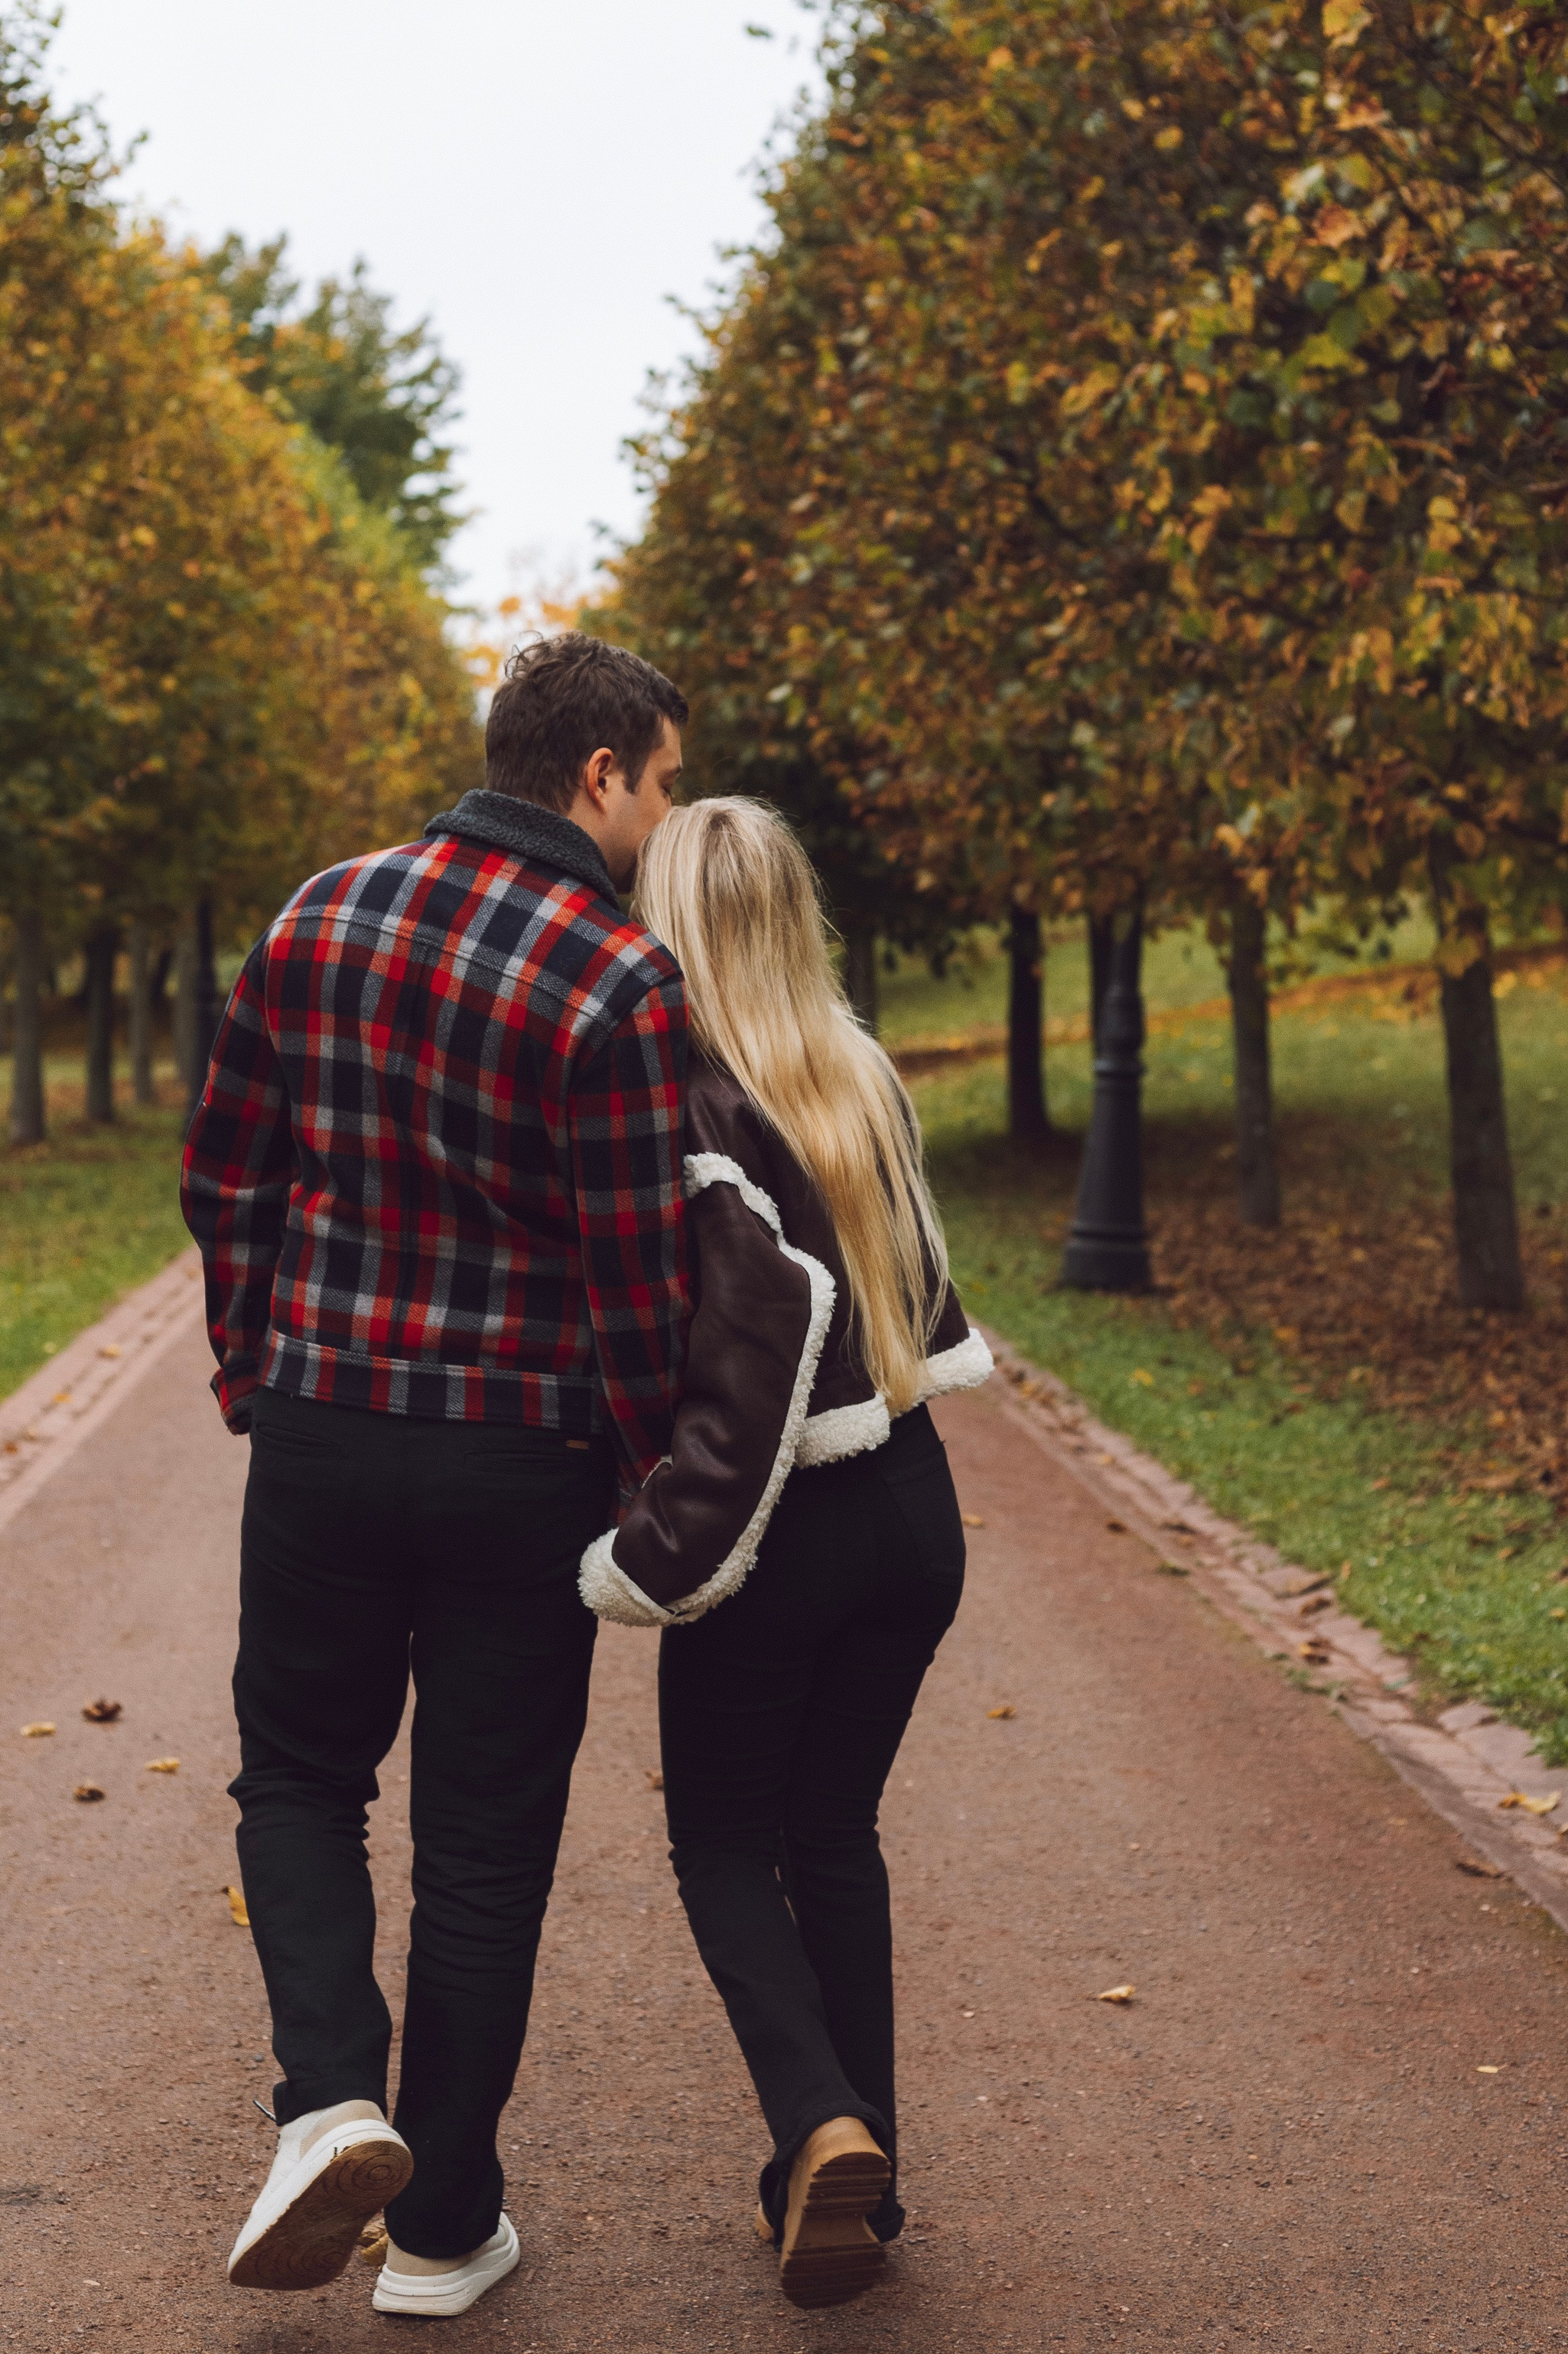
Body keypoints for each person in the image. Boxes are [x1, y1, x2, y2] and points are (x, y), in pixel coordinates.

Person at [181, 633, 688, 2317]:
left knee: (299, 1778)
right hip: (519, 1457)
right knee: (484, 1845)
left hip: (322, 1426)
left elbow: (225, 1173)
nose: (662, 814)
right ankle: (445, 2226)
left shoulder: (315, 915)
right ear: (598, 772)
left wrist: (258, 1363)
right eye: (663, 779)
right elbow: (639, 1291)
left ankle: (327, 2098)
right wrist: (639, 1483)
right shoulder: (616, 977)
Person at [578, 797, 992, 2311]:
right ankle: (851, 2180)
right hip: (915, 1513)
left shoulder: (688, 1104)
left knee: (716, 1841)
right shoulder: (858, 1074)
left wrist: (651, 1550)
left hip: (782, 1525)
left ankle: (818, 2122)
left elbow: (753, 1356)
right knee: (832, 1837)